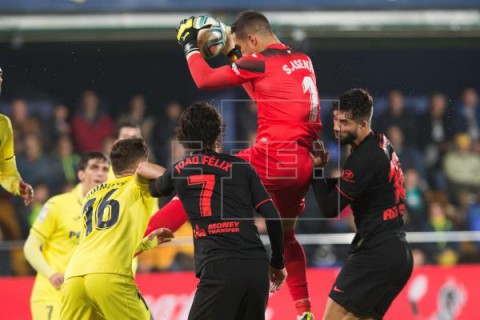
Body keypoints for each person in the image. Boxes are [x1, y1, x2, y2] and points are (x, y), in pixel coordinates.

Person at [148, 11, 321, 319]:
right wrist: (230, 51)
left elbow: (204, 79)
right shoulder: (303, 60)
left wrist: (189, 44)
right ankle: (304, 310)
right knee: (287, 233)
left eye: (242, 46)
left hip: (272, 158)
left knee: (197, 176)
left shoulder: (259, 61)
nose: (241, 54)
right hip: (302, 165)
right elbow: (259, 87)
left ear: (252, 39)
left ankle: (133, 242)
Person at [145, 103, 286, 319]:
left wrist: (138, 169)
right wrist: (277, 263)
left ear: (184, 135)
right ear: (218, 134)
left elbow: (152, 190)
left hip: (219, 268)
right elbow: (273, 216)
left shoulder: (179, 170)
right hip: (256, 267)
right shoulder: (242, 167)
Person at [312, 89, 413, 320]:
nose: (337, 127)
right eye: (336, 119)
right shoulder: (380, 142)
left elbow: (330, 208)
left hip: (377, 254)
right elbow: (360, 185)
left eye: (344, 122)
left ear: (363, 123)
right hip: (396, 254)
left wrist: (315, 170)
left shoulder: (363, 158)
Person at [60, 138, 172, 320]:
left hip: (74, 277)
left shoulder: (92, 194)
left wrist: (144, 244)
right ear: (142, 162)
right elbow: (159, 175)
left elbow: (102, 240)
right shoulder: (138, 183)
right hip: (109, 276)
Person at [23, 152, 110, 320]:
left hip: (87, 298)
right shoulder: (57, 205)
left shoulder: (109, 212)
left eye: (105, 169)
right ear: (81, 174)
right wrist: (51, 274)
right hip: (53, 296)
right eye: (94, 167)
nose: (100, 173)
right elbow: (30, 247)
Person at [0, 67, 34, 205]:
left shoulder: (3, 124)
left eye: (1, 75)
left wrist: (17, 185)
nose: (0, 79)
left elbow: (5, 171)